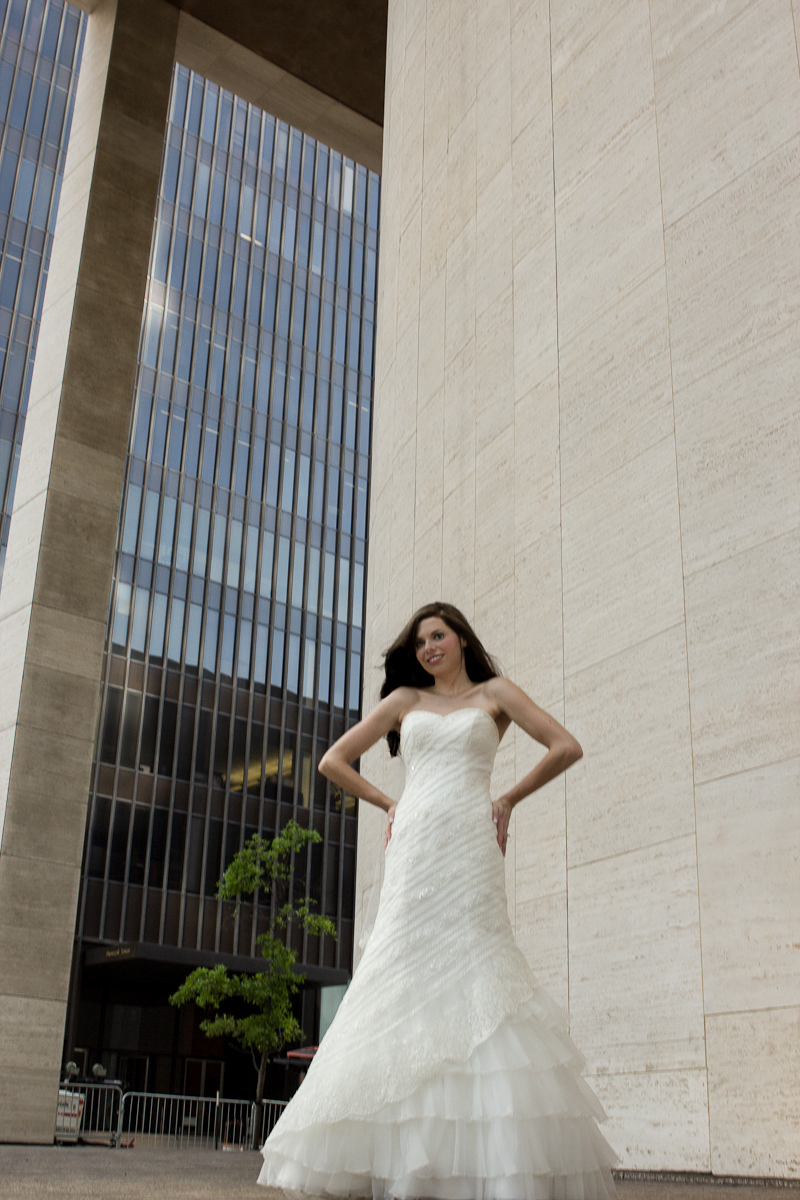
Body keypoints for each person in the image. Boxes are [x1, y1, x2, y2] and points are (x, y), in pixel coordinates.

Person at [258, 601, 618, 1199]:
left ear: (461, 639)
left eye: (438, 636)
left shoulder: (497, 693)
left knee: (479, 968)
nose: (428, 648)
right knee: (397, 971)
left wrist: (506, 799)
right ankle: (388, 1155)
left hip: (470, 846)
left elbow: (564, 745)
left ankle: (481, 1159)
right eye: (420, 641)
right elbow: (332, 761)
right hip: (418, 844)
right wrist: (389, 803)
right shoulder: (405, 702)